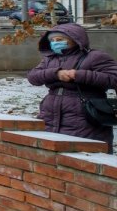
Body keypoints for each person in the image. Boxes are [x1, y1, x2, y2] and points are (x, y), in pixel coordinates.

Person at [30, 23, 117, 152]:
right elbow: (33, 77)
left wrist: (79, 75)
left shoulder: (95, 56)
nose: (55, 43)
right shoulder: (50, 59)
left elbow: (113, 78)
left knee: (85, 155)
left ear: (75, 39)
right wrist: (56, 73)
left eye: (59, 40)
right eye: (52, 41)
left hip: (85, 117)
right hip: (51, 116)